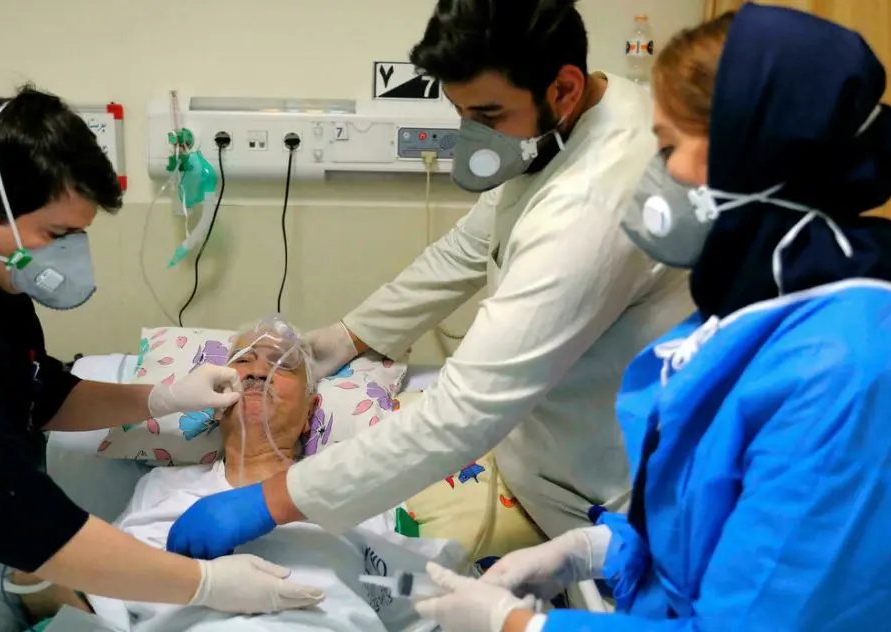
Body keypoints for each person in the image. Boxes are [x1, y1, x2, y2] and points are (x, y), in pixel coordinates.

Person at [405, 5, 891, 632]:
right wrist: (601, 549)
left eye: (666, 149)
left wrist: (521, 626)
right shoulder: (761, 318)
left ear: (752, 155)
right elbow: (728, 522)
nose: (652, 177)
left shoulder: (858, 377)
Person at [167, 0, 693, 563]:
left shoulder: (596, 204)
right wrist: (344, 338)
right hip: (540, 462)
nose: (473, 136)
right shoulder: (563, 127)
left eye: (488, 115)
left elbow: (461, 413)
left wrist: (271, 501)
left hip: (603, 490)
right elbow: (469, 247)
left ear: (563, 89)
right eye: (460, 111)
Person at [0, 85, 322, 629]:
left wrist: (162, 397)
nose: (72, 254)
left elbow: (39, 393)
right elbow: (25, 521)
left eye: (79, 234)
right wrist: (205, 584)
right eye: (58, 233)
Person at [0, 318, 461, 632]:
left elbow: (415, 592)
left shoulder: (350, 484)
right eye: (244, 360)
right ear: (213, 398)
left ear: (312, 409)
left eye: (282, 364)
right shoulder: (163, 486)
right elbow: (103, 594)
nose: (257, 371)